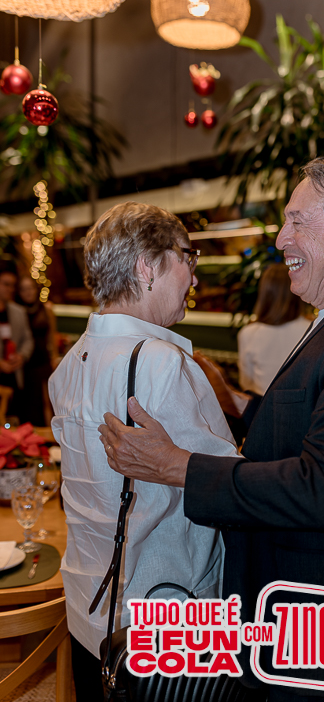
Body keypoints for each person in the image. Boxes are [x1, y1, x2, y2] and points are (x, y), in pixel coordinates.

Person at [100, 157, 324, 701]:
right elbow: (312, 427)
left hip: (321, 608)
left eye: (298, 220)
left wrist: (178, 467)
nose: (280, 238)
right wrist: (239, 403)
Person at [48, 202, 240, 702]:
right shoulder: (163, 364)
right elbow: (228, 487)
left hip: (90, 607)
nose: (194, 277)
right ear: (146, 266)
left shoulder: (68, 365)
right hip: (167, 614)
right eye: (187, 258)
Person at [238, 263, 310, 395]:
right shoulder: (311, 330)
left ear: (264, 293)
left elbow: (246, 385)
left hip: (262, 405)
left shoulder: (248, 333)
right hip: (303, 406)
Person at [17, 276, 58, 425]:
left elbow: (52, 334)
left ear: (36, 290)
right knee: (30, 401)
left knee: (47, 400)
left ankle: (49, 431)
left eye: (30, 288)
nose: (28, 292)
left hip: (43, 358)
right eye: (23, 289)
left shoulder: (46, 309)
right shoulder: (16, 311)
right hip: (25, 362)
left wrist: (54, 356)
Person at [0, 265, 34, 418]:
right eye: (6, 284)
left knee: (14, 417)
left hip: (15, 373)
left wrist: (22, 356)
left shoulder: (18, 311)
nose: (10, 289)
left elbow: (28, 339)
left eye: (13, 285)